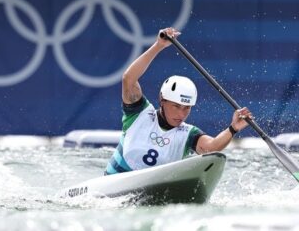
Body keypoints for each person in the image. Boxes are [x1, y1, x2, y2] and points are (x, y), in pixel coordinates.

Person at [105, 27, 253, 175]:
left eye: (186, 108)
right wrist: (159, 46)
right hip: (111, 185)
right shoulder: (138, 113)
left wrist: (233, 128)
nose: (182, 113)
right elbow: (128, 79)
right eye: (176, 106)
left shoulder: (188, 134)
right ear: (162, 100)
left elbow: (211, 148)